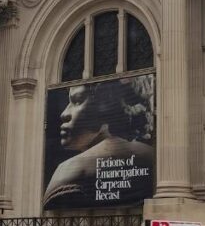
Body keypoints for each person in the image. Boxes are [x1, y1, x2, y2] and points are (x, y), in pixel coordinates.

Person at [43, 76, 155, 209]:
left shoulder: (69, 170)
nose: (64, 114)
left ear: (105, 104)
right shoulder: (154, 157)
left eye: (78, 101)